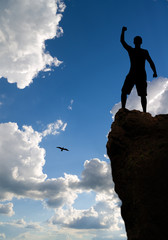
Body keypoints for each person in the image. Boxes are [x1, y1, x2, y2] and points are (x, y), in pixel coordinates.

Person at [120, 26, 157, 112]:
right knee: (127, 92)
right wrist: (154, 72)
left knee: (140, 94)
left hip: (137, 74)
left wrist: (123, 31)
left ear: (135, 42)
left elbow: (122, 41)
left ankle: (126, 108)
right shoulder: (140, 51)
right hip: (136, 74)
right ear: (141, 42)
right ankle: (124, 108)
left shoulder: (138, 51)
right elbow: (151, 62)